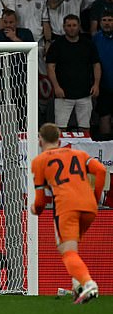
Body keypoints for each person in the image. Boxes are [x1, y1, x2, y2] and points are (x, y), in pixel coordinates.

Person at [30, 123, 105, 304]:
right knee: (70, 246)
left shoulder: (39, 161)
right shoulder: (79, 154)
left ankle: (88, 284)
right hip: (90, 207)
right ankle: (78, 286)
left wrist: (35, 209)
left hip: (67, 207)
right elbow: (101, 170)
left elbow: (40, 202)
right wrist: (95, 197)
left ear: (40, 139)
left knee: (67, 251)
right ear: (59, 139)